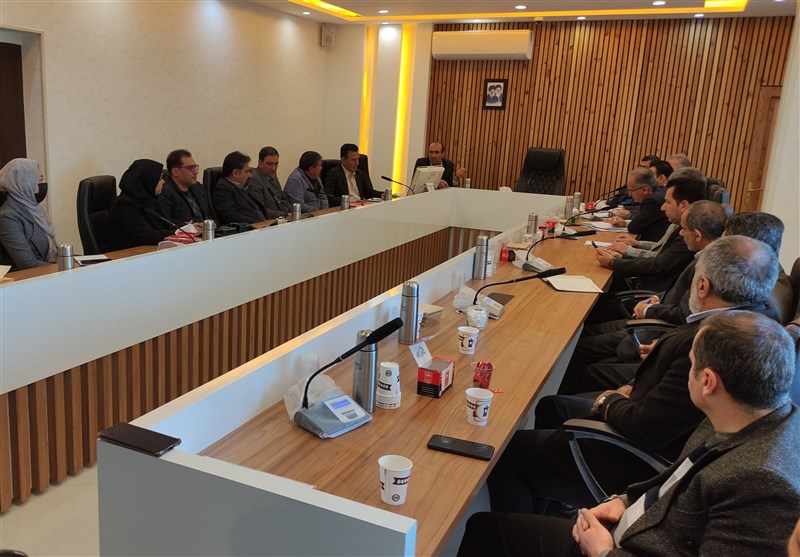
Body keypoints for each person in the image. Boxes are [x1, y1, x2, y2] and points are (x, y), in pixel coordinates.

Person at [459, 311, 800, 557]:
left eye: (692, 364)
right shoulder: (744, 410)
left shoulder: (765, 485)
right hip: (630, 523)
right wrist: (623, 500)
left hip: (621, 547)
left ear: (708, 382)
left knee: (484, 532)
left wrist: (603, 552)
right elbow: (677, 475)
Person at [489, 235, 779, 515]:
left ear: (702, 285)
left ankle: (515, 528)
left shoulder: (711, 343)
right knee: (551, 406)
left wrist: (609, 402)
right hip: (647, 415)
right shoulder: (755, 325)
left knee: (507, 455)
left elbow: (645, 428)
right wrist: (630, 386)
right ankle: (555, 502)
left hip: (635, 457)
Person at [559, 200, 728, 394]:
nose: (680, 234)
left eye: (683, 229)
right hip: (654, 315)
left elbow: (685, 314)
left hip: (655, 330)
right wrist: (656, 299)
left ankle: (563, 400)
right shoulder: (706, 256)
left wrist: (650, 309)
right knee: (584, 333)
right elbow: (679, 293)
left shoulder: (708, 267)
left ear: (697, 235)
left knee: (579, 348)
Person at [0, 158, 57, 270]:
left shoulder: (35, 209)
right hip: (30, 276)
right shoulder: (7, 217)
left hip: (50, 269)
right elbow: (27, 264)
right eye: (38, 181)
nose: (41, 186)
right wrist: (63, 268)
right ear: (21, 182)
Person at [108, 159, 175, 250]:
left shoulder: (150, 199)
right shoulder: (124, 205)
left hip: (151, 251)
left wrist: (187, 227)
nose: (163, 182)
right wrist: (178, 232)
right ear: (146, 181)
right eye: (160, 179)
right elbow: (148, 236)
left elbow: (167, 223)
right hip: (130, 255)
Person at [607, 168, 669, 242]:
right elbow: (643, 218)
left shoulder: (652, 201)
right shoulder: (661, 191)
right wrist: (625, 223)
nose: (629, 195)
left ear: (644, 190)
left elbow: (634, 227)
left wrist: (628, 220)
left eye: (631, 191)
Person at [159, 149, 213, 225]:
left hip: (207, 230)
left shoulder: (198, 187)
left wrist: (213, 223)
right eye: (190, 168)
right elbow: (166, 222)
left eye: (195, 167)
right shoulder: (164, 191)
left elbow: (210, 215)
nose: (196, 172)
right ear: (175, 172)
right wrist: (190, 225)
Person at [213, 151, 267, 225]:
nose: (250, 175)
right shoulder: (223, 188)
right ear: (235, 173)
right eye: (246, 172)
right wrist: (258, 222)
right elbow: (230, 216)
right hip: (247, 229)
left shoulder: (243, 186)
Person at [248, 146, 292, 219]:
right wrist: (285, 215)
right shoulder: (254, 180)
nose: (274, 168)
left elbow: (280, 199)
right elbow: (261, 210)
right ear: (260, 163)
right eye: (269, 164)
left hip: (283, 217)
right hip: (270, 221)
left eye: (276, 164)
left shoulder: (271, 173)